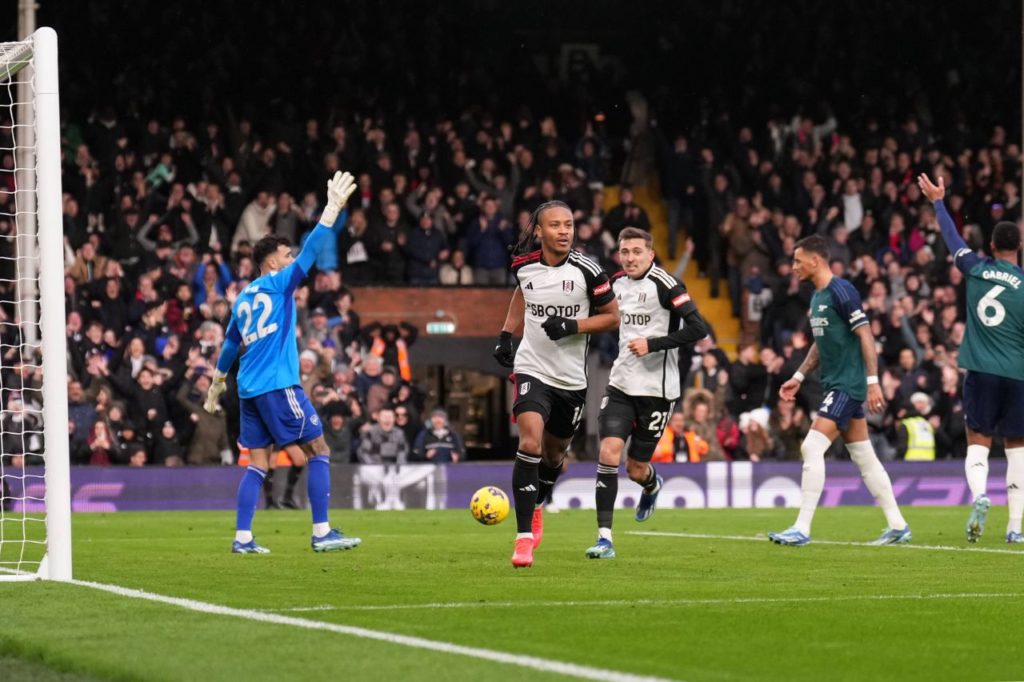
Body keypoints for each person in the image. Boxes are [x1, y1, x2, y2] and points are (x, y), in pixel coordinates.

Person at [205, 171, 360, 554]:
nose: (292, 260)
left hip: (249, 392)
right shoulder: (278, 284)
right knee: (319, 449)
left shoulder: (242, 299)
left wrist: (217, 381)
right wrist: (330, 210)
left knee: (257, 464)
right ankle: (322, 531)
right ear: (273, 264)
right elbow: (310, 253)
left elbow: (229, 345)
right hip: (278, 385)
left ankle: (243, 539)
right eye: (285, 256)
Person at [493, 200, 619, 568]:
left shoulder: (589, 270)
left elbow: (613, 318)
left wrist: (573, 325)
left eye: (569, 224)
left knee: (553, 456)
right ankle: (523, 539)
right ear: (539, 231)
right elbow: (523, 293)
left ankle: (537, 503)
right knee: (529, 441)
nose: (564, 231)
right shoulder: (523, 265)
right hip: (532, 367)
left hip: (571, 379)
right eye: (556, 225)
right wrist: (505, 333)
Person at [769, 234, 912, 546]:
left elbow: (866, 336)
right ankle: (898, 524)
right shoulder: (817, 297)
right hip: (834, 385)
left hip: (848, 386)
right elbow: (820, 345)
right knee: (864, 457)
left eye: (797, 260)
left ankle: (802, 528)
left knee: (811, 447)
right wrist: (799, 376)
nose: (793, 266)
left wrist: (872, 383)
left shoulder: (842, 291)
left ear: (816, 260)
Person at [587, 227, 707, 559]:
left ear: (650, 254)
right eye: (625, 252)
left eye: (637, 252)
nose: (630, 258)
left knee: (635, 469)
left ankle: (652, 485)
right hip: (622, 384)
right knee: (609, 452)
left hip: (657, 391)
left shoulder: (667, 285)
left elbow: (699, 328)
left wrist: (652, 344)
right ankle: (604, 539)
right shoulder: (615, 285)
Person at [919, 173, 1024, 543]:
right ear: (1019, 246)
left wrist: (938, 202)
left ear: (992, 244)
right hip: (1018, 376)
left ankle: (980, 496)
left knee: (977, 441)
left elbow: (952, 239)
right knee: (1017, 451)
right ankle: (1015, 529)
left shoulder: (975, 268)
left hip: (981, 370)